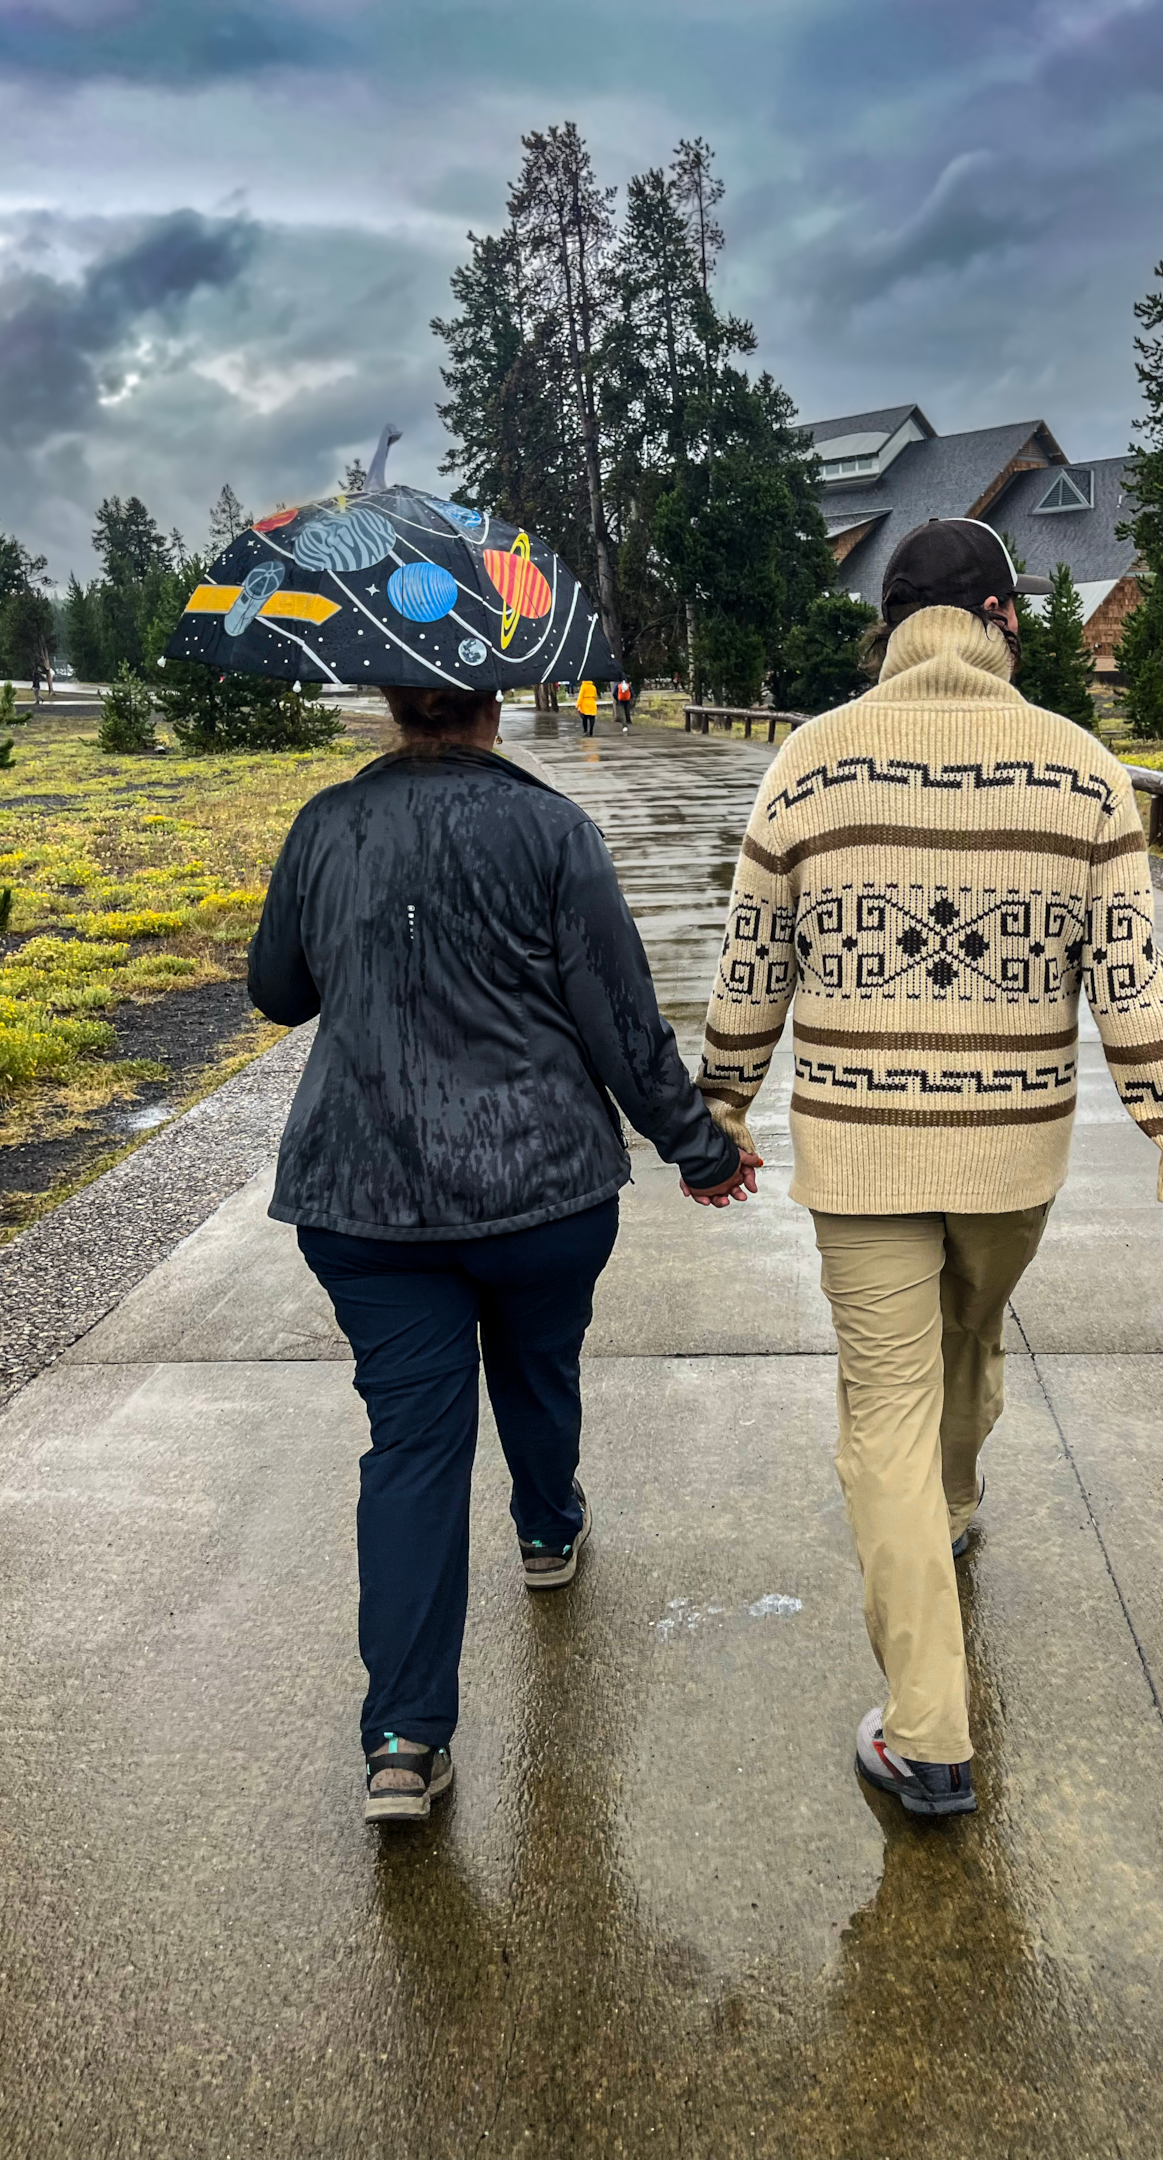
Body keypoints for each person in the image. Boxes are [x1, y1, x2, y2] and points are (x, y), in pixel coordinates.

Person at [687, 518, 1163, 1819]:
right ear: (1001, 617)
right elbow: (1131, 980)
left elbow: (753, 965)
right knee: (973, 1338)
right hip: (1013, 1154)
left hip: (861, 1154)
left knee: (883, 1414)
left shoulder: (806, 771)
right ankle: (966, 1494)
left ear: (890, 623)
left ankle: (927, 1737)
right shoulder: (1082, 771)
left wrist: (723, 1104)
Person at [248, 682, 758, 1822]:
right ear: (491, 705)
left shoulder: (327, 824)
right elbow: (620, 1018)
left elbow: (276, 993)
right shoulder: (549, 829)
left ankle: (403, 1741)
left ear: (390, 700)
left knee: (413, 1448)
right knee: (537, 1365)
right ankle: (546, 1525)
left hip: (366, 1199)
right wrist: (699, 1147)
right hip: (543, 1189)